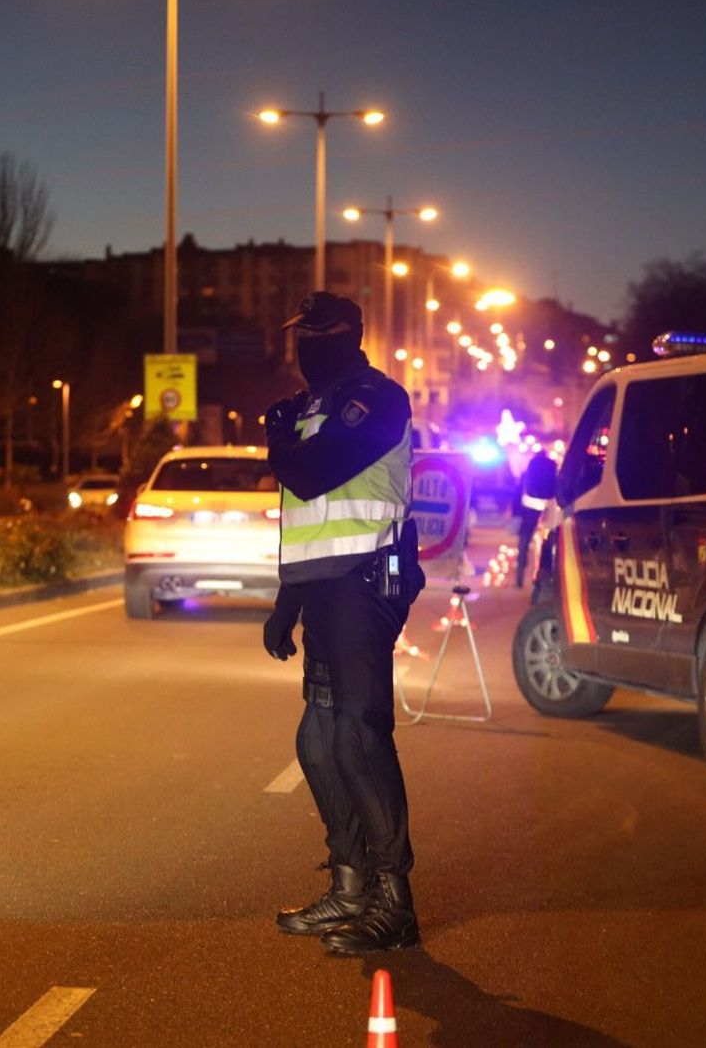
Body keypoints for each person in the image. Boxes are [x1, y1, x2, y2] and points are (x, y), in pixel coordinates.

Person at [262, 291, 425, 956]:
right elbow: (303, 522)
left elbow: (313, 473)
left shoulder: (378, 397)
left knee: (358, 734)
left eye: (316, 334)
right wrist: (286, 602)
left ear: (347, 335)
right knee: (318, 739)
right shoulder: (302, 408)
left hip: (369, 581)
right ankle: (350, 881)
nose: (304, 346)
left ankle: (395, 899)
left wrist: (277, 434)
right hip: (322, 590)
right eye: (300, 333)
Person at [514, 445, 557, 589]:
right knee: (546, 542)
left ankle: (520, 574)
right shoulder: (551, 465)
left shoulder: (531, 467)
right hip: (547, 507)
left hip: (529, 507)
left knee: (524, 541)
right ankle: (542, 579)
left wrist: (516, 512)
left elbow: (519, 490)